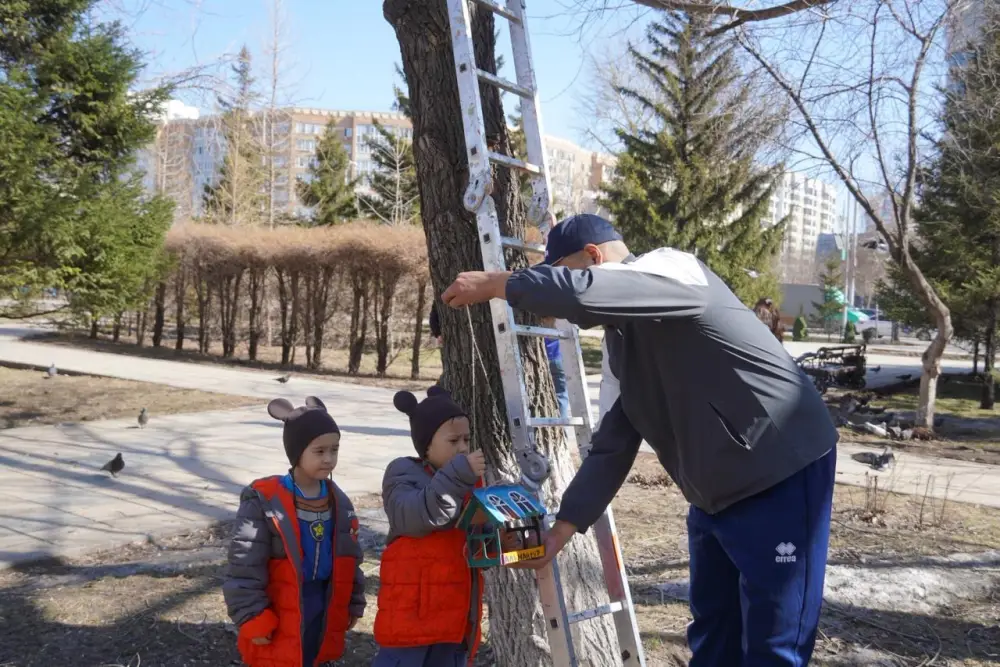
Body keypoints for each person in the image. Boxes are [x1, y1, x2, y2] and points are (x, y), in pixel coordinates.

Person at [441, 213, 838, 667]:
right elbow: (613, 444)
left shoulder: (674, 270)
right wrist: (563, 528)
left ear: (594, 257)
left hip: (780, 468)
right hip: (715, 495)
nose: (558, 293)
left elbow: (585, 292)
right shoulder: (621, 345)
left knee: (773, 643)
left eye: (565, 270)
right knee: (714, 632)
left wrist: (498, 284)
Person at [223, 396, 366, 667]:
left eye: (334, 450)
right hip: (281, 603)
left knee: (314, 656)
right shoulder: (265, 500)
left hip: (323, 601)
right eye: (319, 451)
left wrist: (352, 602)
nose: (329, 459)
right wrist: (252, 615)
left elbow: (351, 557)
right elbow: (245, 563)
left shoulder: (339, 501)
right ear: (297, 451)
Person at [372, 386, 487, 667]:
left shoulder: (468, 482)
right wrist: (459, 475)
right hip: (411, 619)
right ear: (426, 445)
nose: (462, 447)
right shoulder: (402, 473)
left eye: (467, 439)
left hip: (454, 615)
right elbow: (419, 515)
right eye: (453, 440)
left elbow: (475, 543)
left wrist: (498, 535)